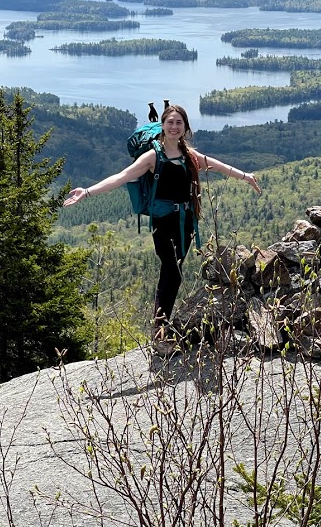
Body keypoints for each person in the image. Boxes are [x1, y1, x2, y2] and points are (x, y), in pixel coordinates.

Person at [64, 104, 262, 353]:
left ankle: (162, 329)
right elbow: (122, 177)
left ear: (185, 128)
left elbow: (218, 166)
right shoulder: (152, 157)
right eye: (170, 122)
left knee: (174, 271)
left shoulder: (190, 156)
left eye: (179, 123)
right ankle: (159, 334)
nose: (174, 127)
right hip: (163, 223)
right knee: (171, 271)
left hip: (187, 222)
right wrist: (87, 192)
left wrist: (245, 176)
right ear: (163, 126)